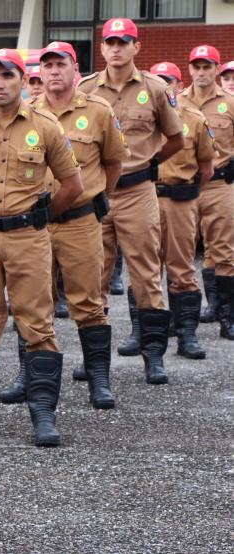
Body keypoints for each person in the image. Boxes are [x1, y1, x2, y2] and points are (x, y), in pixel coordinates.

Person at [0, 49, 83, 447]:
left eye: (8, 75)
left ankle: (42, 415)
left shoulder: (46, 126)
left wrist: (39, 216)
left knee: (37, 325)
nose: (0, 83)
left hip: (28, 237)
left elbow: (72, 185)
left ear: (24, 80)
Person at [0, 42, 127, 410]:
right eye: (48, 65)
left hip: (79, 222)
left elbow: (114, 162)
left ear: (75, 69)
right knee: (30, 303)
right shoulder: (25, 113)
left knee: (88, 301)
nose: (54, 71)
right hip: (34, 224)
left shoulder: (98, 111)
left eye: (61, 64)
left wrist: (100, 196)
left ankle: (98, 378)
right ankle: (29, 374)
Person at [78, 18, 183, 384]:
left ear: (137, 46)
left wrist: (149, 164)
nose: (117, 47)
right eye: (110, 41)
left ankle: (153, 356)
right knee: (94, 274)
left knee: (146, 274)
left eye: (124, 41)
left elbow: (175, 139)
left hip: (138, 192)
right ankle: (95, 361)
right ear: (103, 47)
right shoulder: (87, 89)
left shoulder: (154, 89)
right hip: (98, 194)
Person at [150, 57, 217, 357]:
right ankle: (145, 333)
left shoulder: (192, 117)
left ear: (178, 85)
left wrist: (188, 194)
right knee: (145, 269)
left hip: (179, 200)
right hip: (145, 199)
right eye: (158, 81)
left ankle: (186, 335)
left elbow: (207, 168)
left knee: (182, 268)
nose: (164, 87)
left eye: (169, 82)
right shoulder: (139, 119)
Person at [180, 45, 234, 341]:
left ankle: (225, 314)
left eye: (207, 67)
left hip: (218, 186)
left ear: (216, 69)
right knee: (181, 253)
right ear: (189, 69)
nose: (201, 72)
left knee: (223, 250)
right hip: (185, 187)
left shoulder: (229, 102)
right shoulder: (176, 102)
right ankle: (184, 322)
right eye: (196, 66)